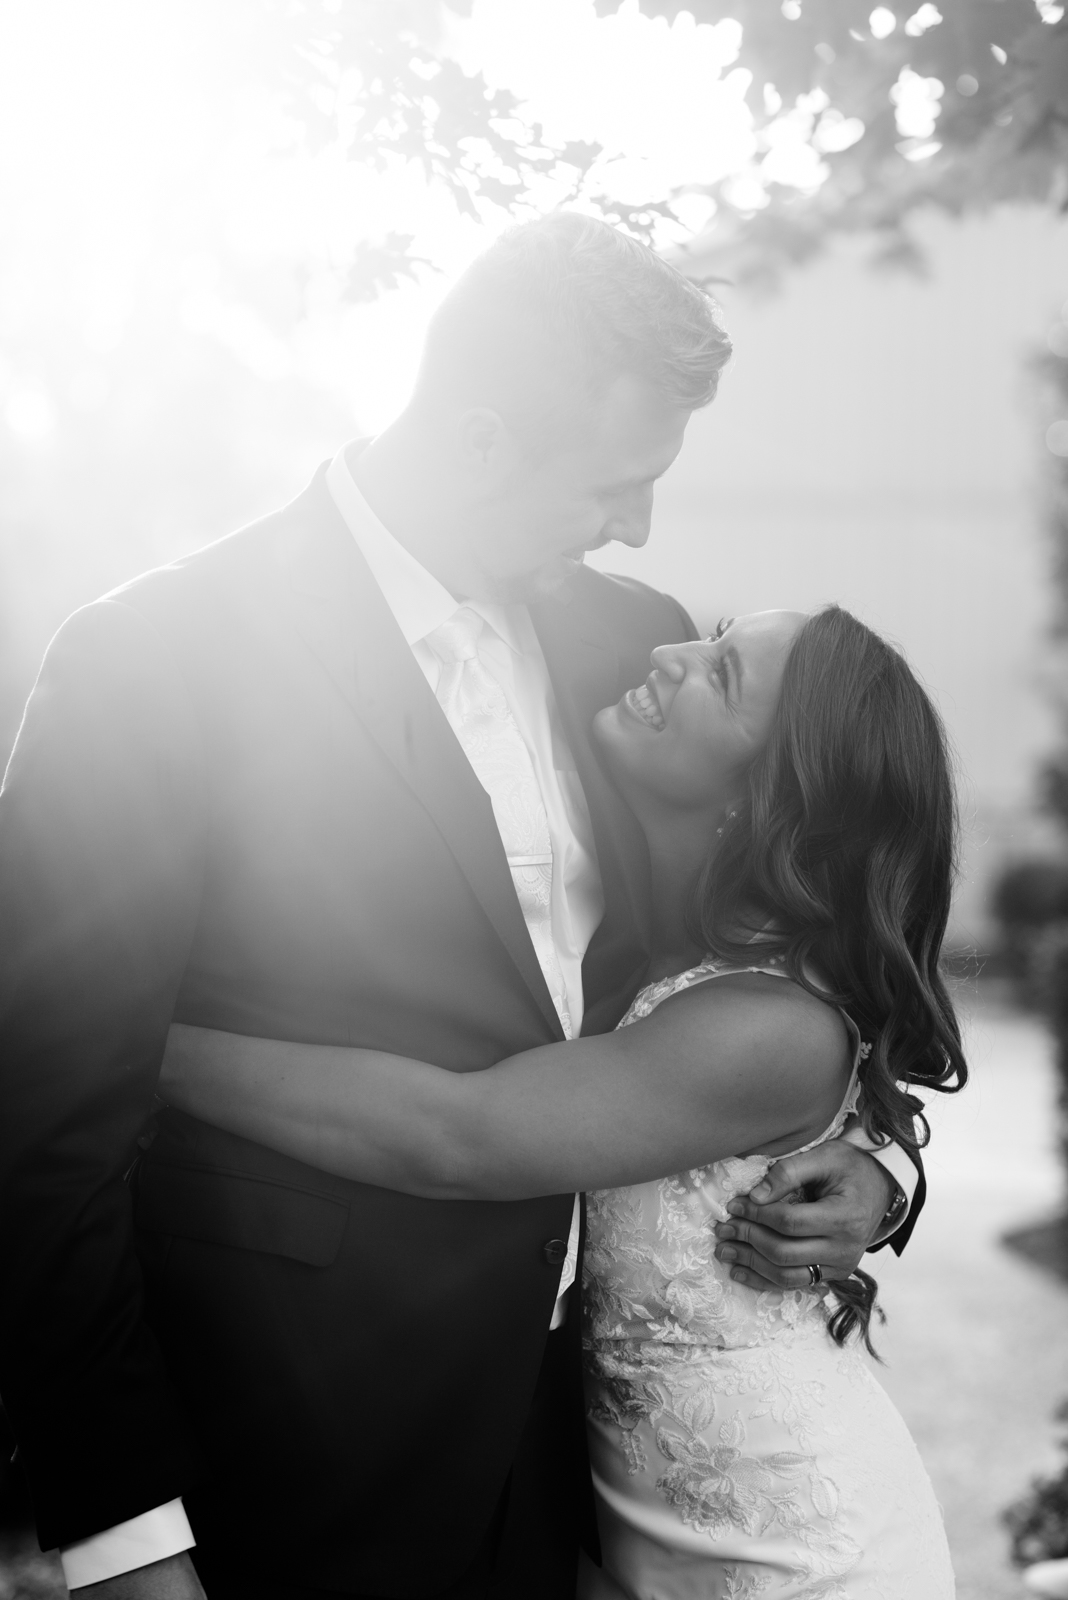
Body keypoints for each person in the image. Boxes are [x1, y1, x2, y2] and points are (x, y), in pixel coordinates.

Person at [0, 216, 922, 1600]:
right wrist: (129, 1542)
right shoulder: (157, 661)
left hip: (573, 1486)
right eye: (618, 482)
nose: (639, 526)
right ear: (483, 440)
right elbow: (40, 1136)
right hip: (284, 1467)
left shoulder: (632, 644)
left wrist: (876, 1171)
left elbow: (792, 944)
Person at [160, 605, 964, 1598]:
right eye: (710, 638)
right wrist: (878, 1178)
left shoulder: (767, 1024)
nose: (668, 656)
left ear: (767, 794)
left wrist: (131, 1040)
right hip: (622, 1539)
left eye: (720, 675)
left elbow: (453, 1133)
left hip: (789, 1553)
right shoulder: (663, 930)